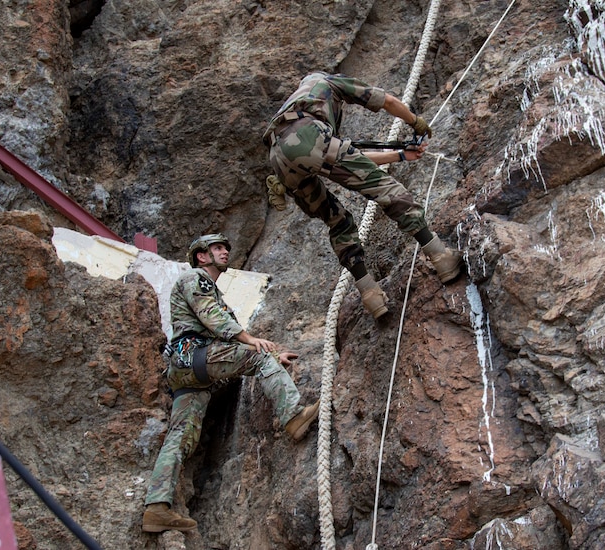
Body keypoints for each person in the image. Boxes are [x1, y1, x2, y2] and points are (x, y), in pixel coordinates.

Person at [142, 234, 320, 533]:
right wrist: (260, 348)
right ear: (201, 256)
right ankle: (293, 417)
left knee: (181, 435)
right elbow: (214, 321)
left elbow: (223, 328)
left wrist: (272, 349)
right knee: (262, 362)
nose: (225, 252)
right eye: (217, 248)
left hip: (185, 369)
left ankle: (157, 507)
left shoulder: (210, 290)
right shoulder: (196, 279)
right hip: (197, 355)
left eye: (226, 247)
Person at [263, 71, 463, 319]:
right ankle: (440, 256)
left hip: (279, 160)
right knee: (386, 190)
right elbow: (387, 101)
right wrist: (415, 121)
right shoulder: (330, 82)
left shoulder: (297, 101)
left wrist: (400, 155)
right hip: (308, 136)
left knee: (337, 221)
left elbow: (348, 160)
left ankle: (371, 295)